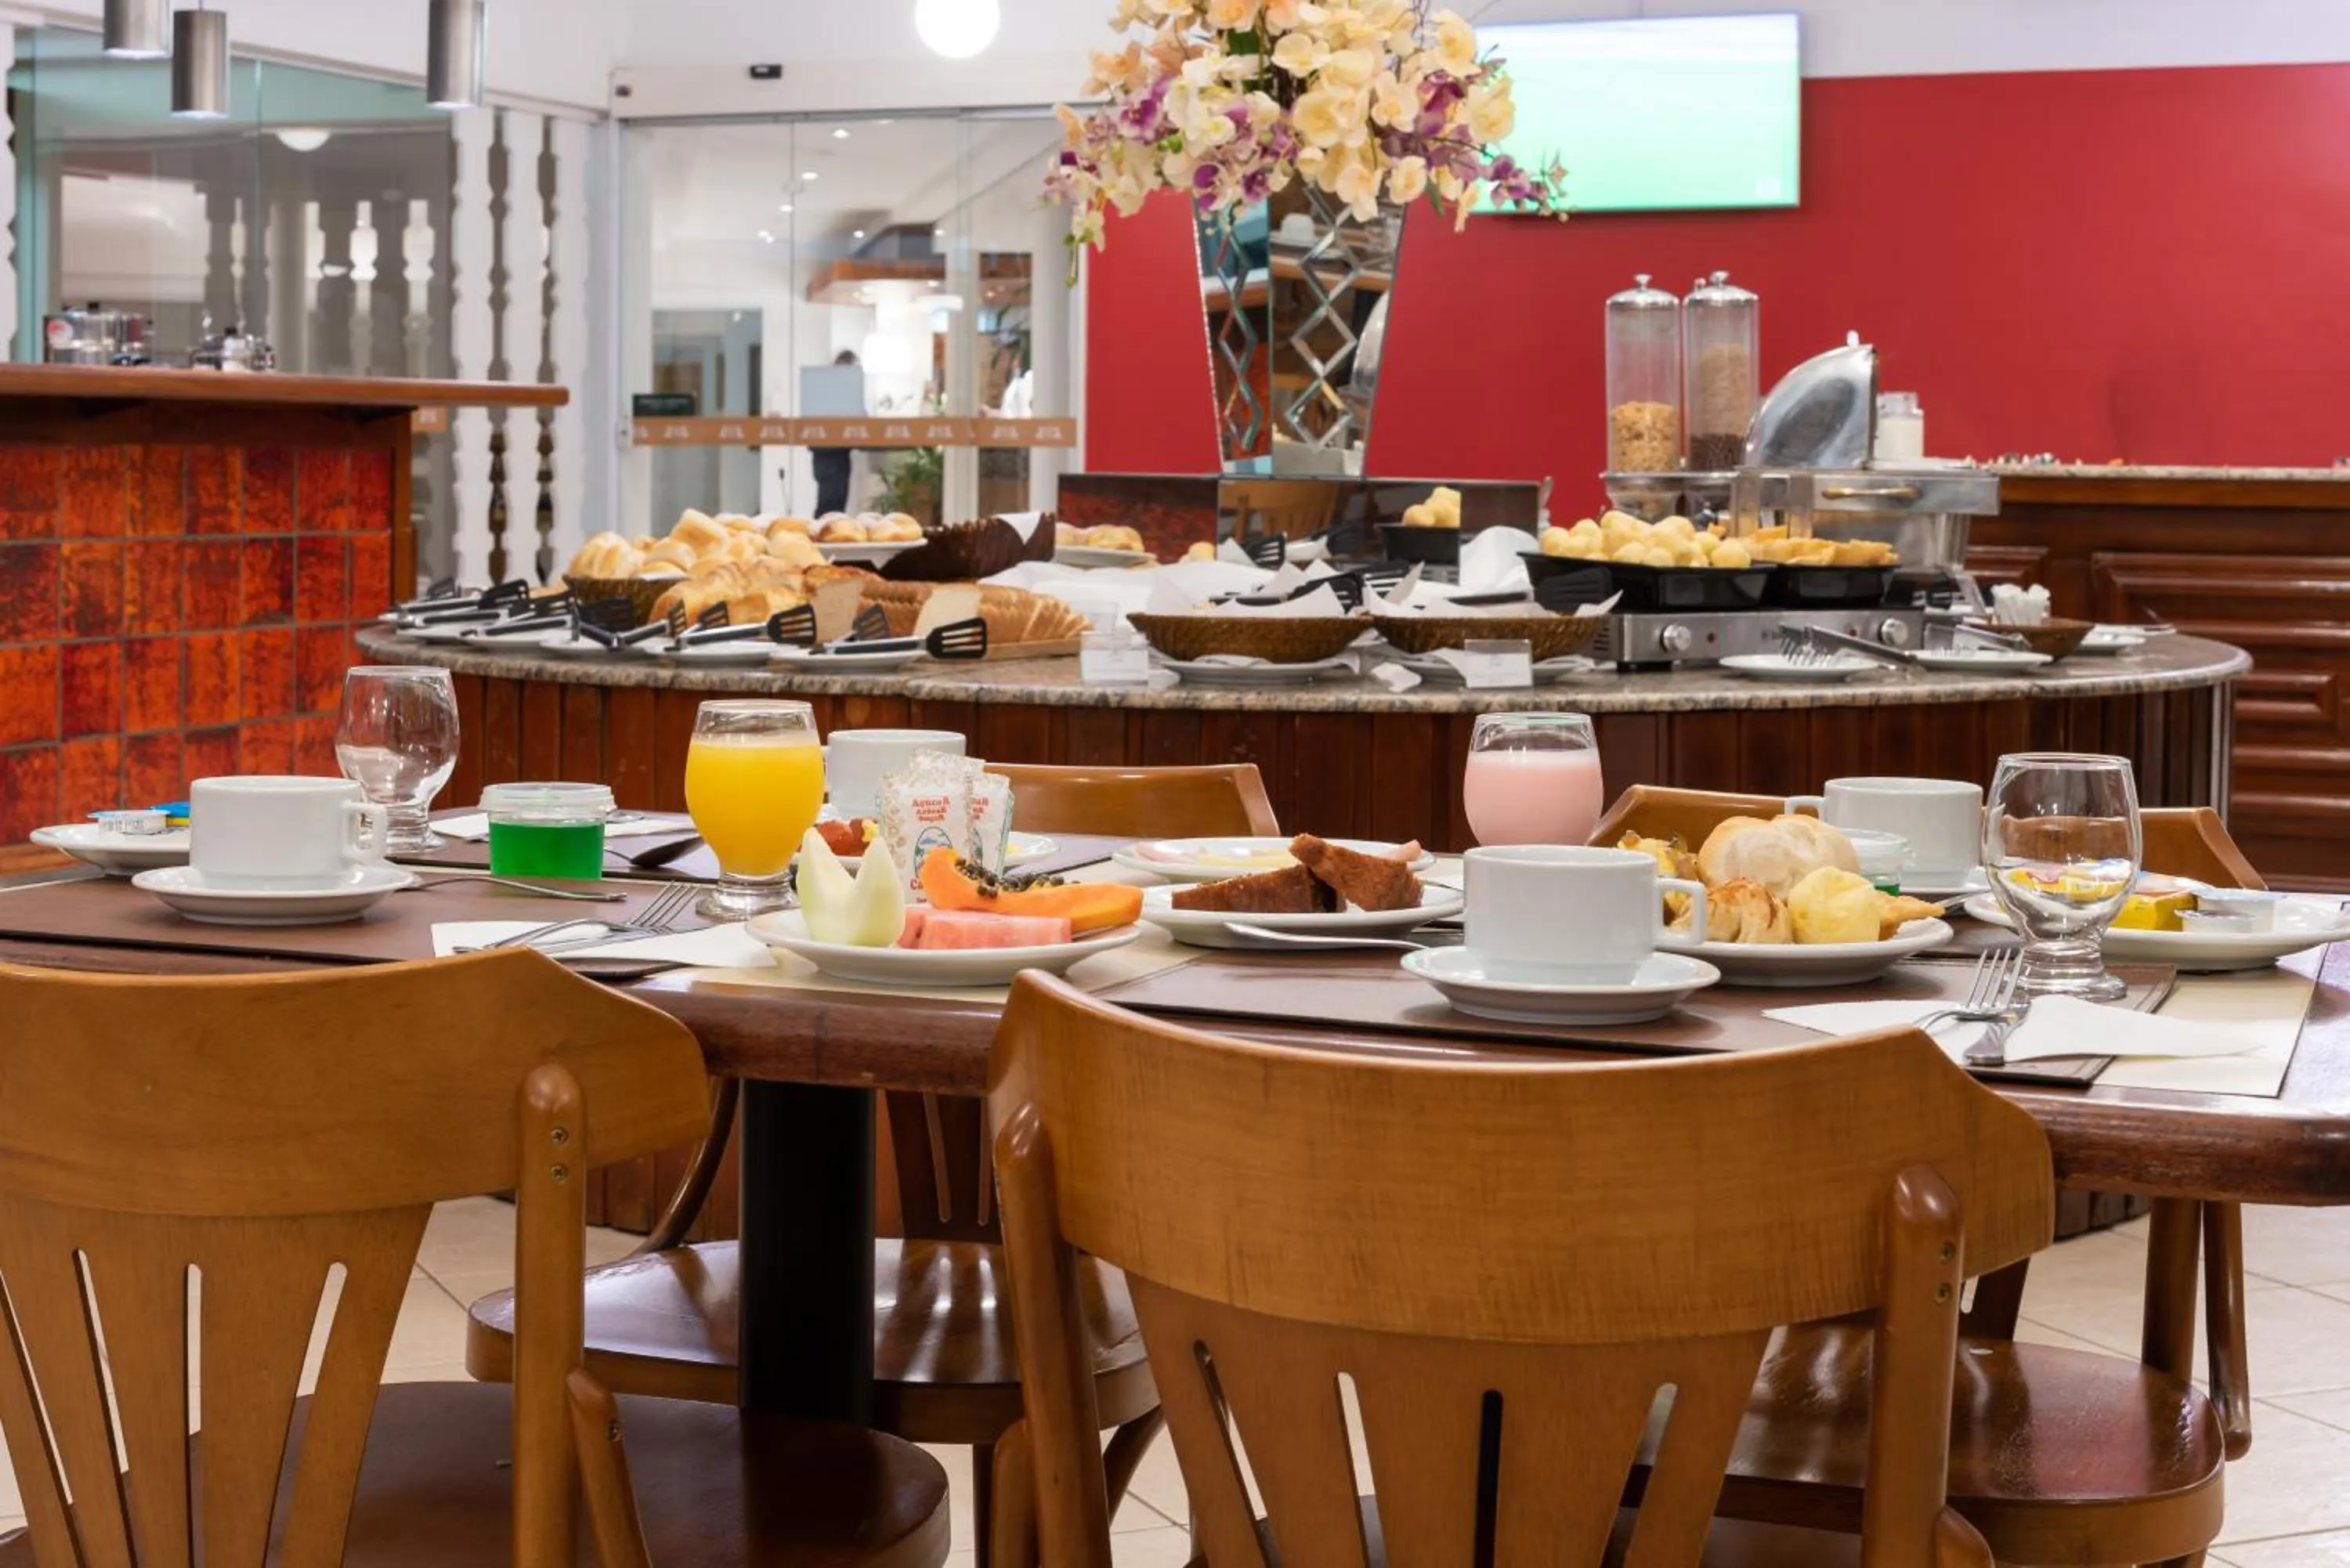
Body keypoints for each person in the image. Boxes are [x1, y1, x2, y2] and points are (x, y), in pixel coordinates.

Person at [811, 350, 859, 515]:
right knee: (828, 508)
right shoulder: (825, 393)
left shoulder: (847, 394)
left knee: (837, 507)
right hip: (827, 456)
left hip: (840, 456)